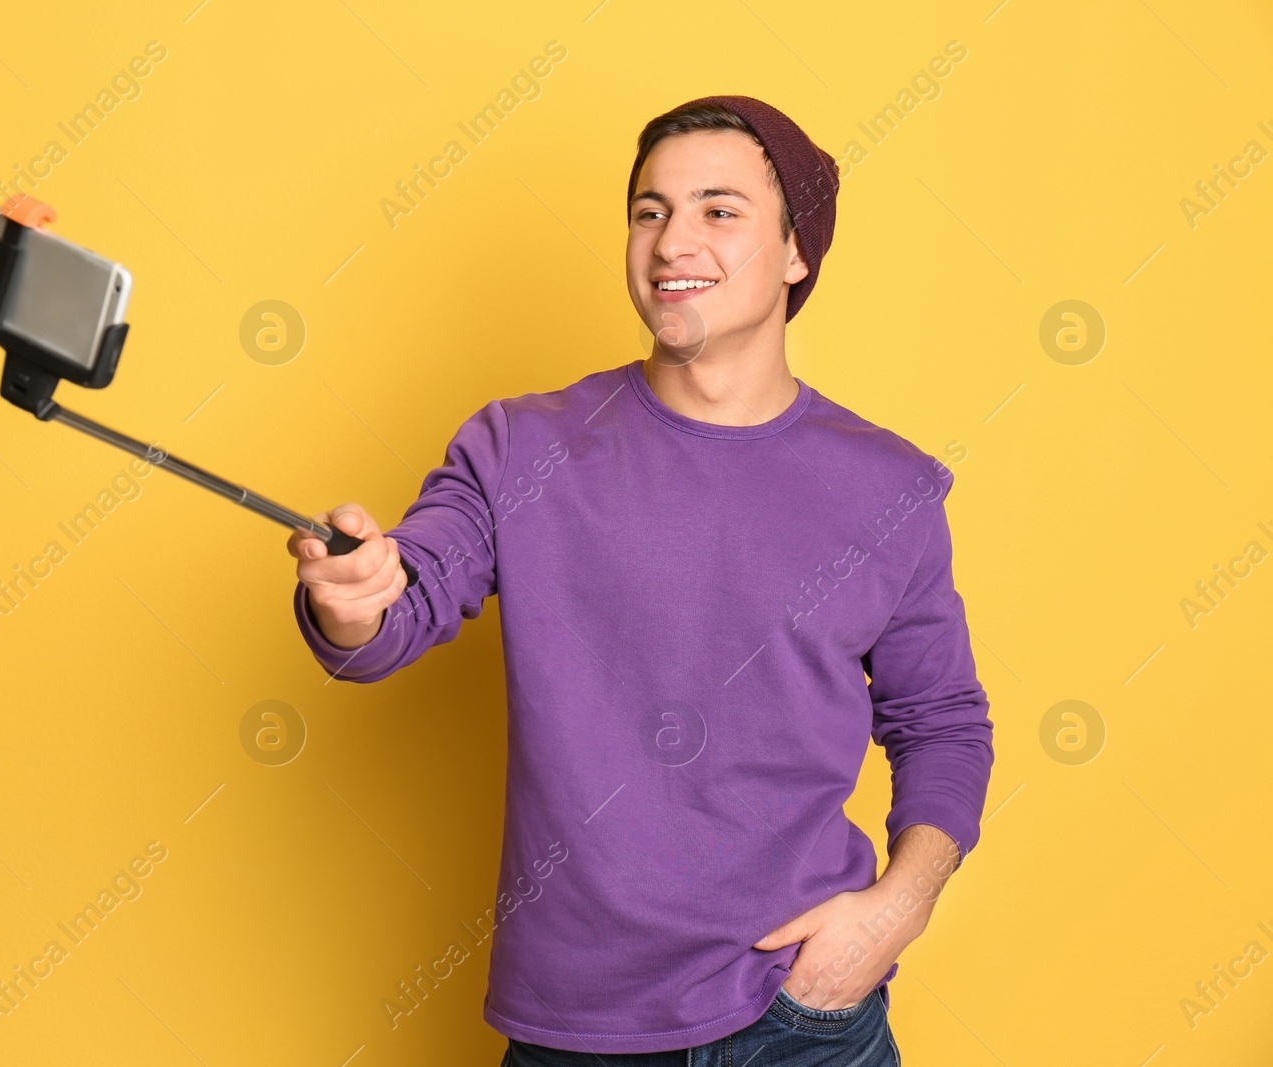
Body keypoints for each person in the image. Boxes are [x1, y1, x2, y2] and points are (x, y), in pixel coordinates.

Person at [287, 95, 993, 1066]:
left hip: (803, 1019)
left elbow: (943, 720)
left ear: (796, 251)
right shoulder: (518, 445)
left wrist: (893, 912)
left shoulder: (891, 487)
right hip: (578, 1027)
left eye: (718, 210)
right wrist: (350, 599)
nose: (670, 241)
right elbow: (401, 603)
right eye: (649, 211)